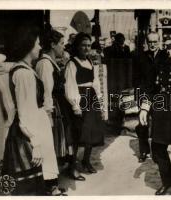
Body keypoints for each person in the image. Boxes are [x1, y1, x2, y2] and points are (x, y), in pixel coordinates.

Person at [2, 26, 65, 195]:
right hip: (29, 128)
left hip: (36, 123)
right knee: (28, 180)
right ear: (27, 46)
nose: (39, 47)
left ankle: (47, 189)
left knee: (40, 173)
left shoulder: (27, 69)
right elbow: (24, 111)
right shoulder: (23, 74)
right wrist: (35, 142)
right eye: (37, 44)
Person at [139, 17, 171, 195]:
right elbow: (151, 83)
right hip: (161, 107)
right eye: (165, 32)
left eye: (170, 32)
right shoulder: (160, 55)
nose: (166, 35)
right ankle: (167, 181)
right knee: (159, 147)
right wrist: (145, 106)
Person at [64, 32, 106, 178]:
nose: (87, 48)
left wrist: (99, 101)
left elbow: (96, 83)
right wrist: (75, 106)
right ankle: (72, 166)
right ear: (77, 46)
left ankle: (86, 161)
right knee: (78, 134)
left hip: (91, 97)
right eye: (83, 45)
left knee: (92, 132)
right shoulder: (72, 63)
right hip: (80, 99)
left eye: (89, 45)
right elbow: (70, 86)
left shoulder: (89, 61)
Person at [36, 29, 67, 160]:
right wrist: (48, 115)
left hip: (57, 106)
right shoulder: (45, 64)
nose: (63, 47)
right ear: (53, 45)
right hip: (51, 107)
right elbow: (46, 91)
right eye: (61, 43)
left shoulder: (51, 63)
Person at [135, 32, 162, 163]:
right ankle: (143, 151)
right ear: (147, 42)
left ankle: (157, 153)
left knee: (157, 125)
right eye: (150, 42)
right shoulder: (141, 57)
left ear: (159, 41)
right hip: (145, 95)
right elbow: (137, 79)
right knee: (142, 124)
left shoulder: (164, 56)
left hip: (158, 97)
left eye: (155, 42)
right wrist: (140, 97)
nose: (153, 44)